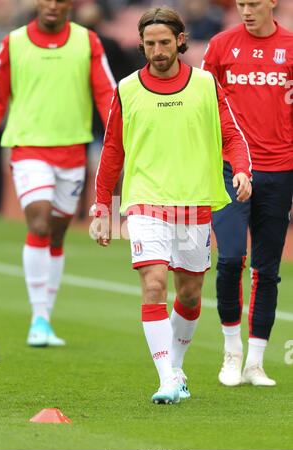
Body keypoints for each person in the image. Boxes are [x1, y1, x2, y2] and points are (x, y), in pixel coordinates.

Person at [89, 5, 252, 404]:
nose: (157, 50)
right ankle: (166, 378)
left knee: (191, 293)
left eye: (164, 42)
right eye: (149, 44)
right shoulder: (127, 89)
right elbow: (112, 152)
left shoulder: (205, 85)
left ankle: (175, 368)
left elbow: (231, 135)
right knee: (154, 285)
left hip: (194, 202)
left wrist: (243, 170)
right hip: (145, 202)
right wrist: (102, 209)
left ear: (180, 41)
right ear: (141, 45)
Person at [0, 0, 115, 346]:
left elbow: (106, 91)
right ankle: (39, 319)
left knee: (58, 235)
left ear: (69, 6)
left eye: (60, 0)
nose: (52, 5)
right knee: (40, 222)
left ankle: (46, 316)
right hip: (28, 147)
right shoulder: (12, 42)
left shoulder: (87, 42)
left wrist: (116, 135)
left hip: (73, 150)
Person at [202, 0, 293, 386]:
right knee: (230, 258)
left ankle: (255, 363)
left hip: (280, 169)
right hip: (229, 168)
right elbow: (201, 103)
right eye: (240, 3)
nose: (246, 10)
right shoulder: (221, 45)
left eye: (254, 3)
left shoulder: (289, 46)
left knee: (267, 270)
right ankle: (231, 352)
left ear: (272, 2)